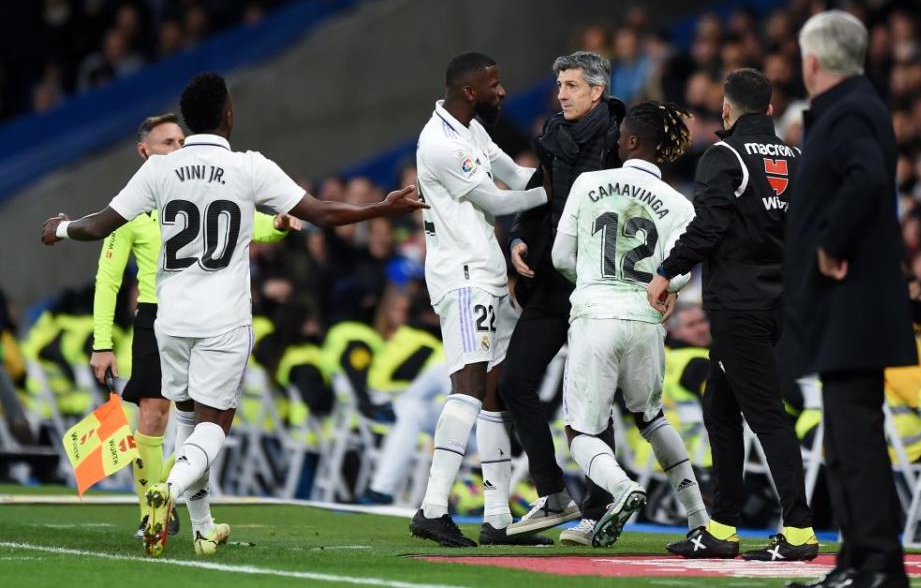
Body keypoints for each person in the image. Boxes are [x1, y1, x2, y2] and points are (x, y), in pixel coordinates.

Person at [40, 71, 427, 557]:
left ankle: (202, 530)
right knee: (214, 422)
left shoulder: (160, 170)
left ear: (188, 121)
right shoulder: (249, 167)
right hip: (223, 320)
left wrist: (61, 228)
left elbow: (100, 226)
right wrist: (383, 209)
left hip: (170, 319)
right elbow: (321, 214)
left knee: (185, 419)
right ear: (228, 115)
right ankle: (169, 491)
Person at [90, 113, 300, 539]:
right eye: (167, 142)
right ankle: (154, 509)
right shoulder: (130, 208)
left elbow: (250, 225)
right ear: (144, 151)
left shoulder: (199, 189)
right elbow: (108, 278)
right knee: (154, 411)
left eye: (181, 139)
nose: (177, 147)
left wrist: (277, 225)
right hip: (154, 315)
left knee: (194, 416)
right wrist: (101, 342)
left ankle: (170, 493)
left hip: (196, 314)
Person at [648, 68, 817, 561]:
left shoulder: (724, 155)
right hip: (779, 299)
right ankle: (721, 527)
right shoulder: (797, 158)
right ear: (769, 108)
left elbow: (708, 227)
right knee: (721, 409)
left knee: (765, 414)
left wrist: (666, 272)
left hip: (737, 302)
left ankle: (800, 532)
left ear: (727, 109)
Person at [782, 11, 915, 588]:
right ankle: (857, 562)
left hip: (853, 303)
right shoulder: (851, 108)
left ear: (813, 61)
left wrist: (832, 242)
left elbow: (867, 179)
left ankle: (881, 565)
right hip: (845, 307)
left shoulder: (853, 109)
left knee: (854, 440)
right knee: (844, 442)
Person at [551, 101, 710, 548]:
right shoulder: (679, 203)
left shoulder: (589, 183)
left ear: (633, 141)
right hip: (645, 320)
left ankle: (622, 489)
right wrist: (666, 290)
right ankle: (699, 518)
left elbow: (561, 257)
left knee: (580, 430)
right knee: (651, 418)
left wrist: (591, 278)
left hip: (595, 315)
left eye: (622, 134)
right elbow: (678, 273)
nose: (617, 139)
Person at [410, 52, 550, 547]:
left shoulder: (471, 130)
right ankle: (431, 508)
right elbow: (495, 201)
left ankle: (498, 519)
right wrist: (557, 194)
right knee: (468, 387)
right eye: (495, 83)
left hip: (487, 274)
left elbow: (515, 177)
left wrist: (571, 178)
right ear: (470, 91)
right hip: (463, 277)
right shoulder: (440, 141)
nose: (503, 91)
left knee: (494, 393)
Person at [501, 51, 626, 542]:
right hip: (553, 282)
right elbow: (540, 198)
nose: (561, 94)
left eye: (571, 85)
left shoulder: (623, 140)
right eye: (560, 85)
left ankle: (603, 508)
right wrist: (517, 239)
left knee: (595, 400)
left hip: (600, 285)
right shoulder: (552, 136)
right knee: (515, 381)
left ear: (597, 91)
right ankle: (553, 494)